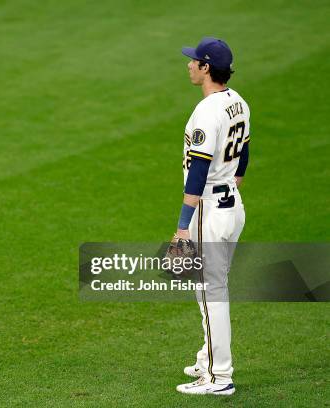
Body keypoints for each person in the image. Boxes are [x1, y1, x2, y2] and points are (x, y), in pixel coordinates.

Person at [173, 37, 250, 395]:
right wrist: (231, 184)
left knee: (210, 293)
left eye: (193, 61)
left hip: (209, 211)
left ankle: (219, 377)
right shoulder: (238, 103)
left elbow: (199, 172)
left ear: (206, 68)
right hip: (231, 207)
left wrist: (182, 227)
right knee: (214, 288)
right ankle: (208, 360)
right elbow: (244, 151)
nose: (188, 65)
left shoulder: (207, 111)